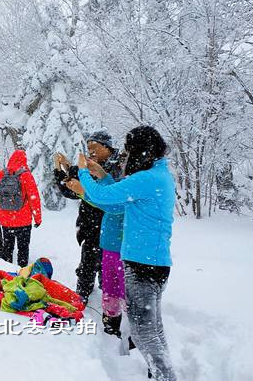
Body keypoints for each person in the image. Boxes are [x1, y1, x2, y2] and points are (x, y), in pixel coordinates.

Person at [65, 126, 177, 381]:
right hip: (154, 263)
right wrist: (103, 175)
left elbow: (101, 197)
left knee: (143, 332)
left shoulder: (147, 178)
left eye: (129, 152)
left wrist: (83, 171)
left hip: (143, 265)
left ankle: (165, 376)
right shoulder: (159, 174)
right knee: (153, 329)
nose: (126, 157)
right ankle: (162, 373)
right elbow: (115, 202)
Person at [53, 130, 119, 306]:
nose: (91, 152)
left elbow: (106, 196)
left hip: (111, 228)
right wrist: (61, 169)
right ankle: (82, 295)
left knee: (107, 266)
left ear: (107, 147)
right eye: (88, 148)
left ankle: (108, 299)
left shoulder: (119, 167)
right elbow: (69, 189)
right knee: (88, 262)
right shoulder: (91, 166)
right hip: (90, 225)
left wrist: (82, 188)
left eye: (94, 147)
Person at [0, 149, 42, 267]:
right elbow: (33, 198)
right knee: (23, 250)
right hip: (23, 221)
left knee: (7, 249)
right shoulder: (25, 175)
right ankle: (22, 274)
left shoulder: (1, 174)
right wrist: (38, 218)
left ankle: (6, 273)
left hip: (6, 221)